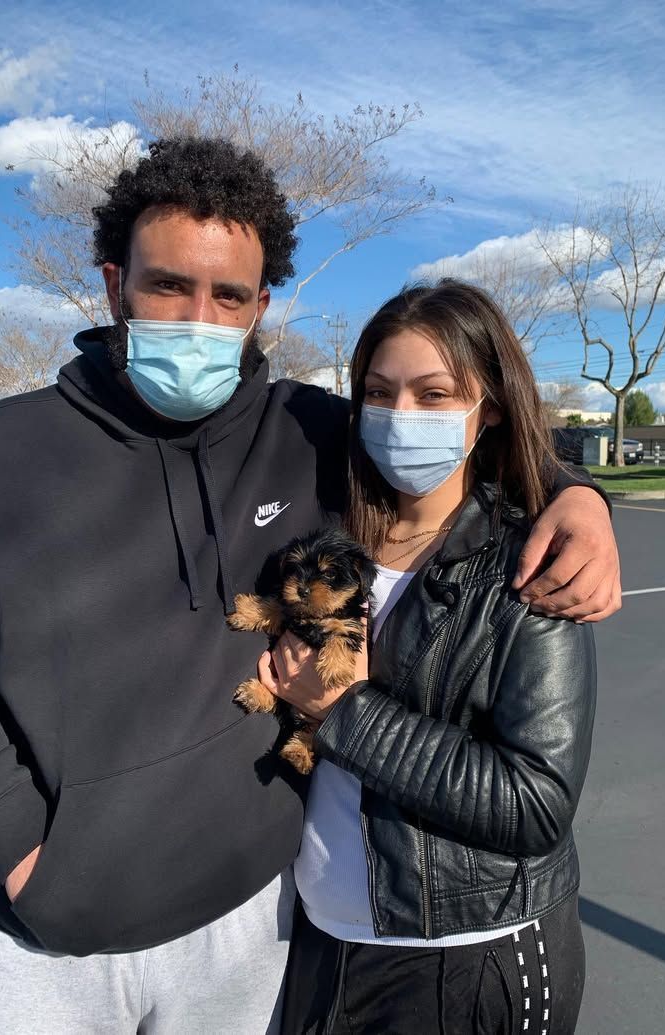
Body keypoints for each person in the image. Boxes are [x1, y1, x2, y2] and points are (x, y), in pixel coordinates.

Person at [0, 139, 617, 1035]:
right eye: (168, 285)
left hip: (249, 928)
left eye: (229, 295)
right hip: (36, 943)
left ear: (261, 306)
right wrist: (15, 839)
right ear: (115, 285)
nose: (198, 318)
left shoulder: (311, 433)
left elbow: (456, 440)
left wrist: (579, 497)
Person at [263, 281, 599, 1034]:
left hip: (465, 958)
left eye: (435, 393)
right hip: (322, 937)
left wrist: (343, 711)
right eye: (379, 392)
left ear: (491, 407)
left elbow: (535, 803)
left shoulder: (529, 566)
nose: (401, 416)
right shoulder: (329, 534)